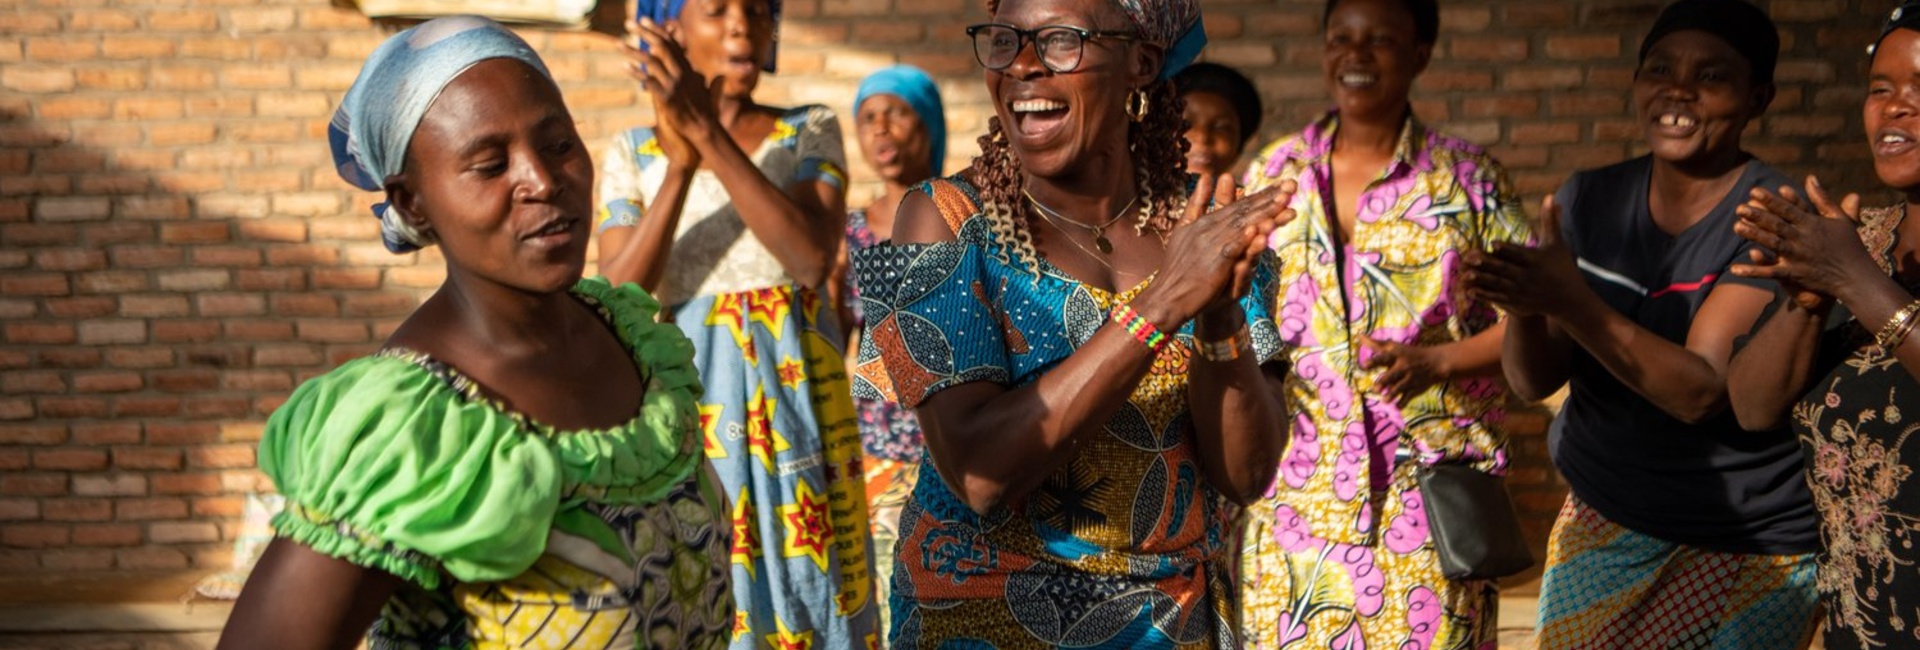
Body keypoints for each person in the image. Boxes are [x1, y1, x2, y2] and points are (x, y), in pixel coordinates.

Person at [218, 17, 731, 649]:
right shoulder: (409, 426)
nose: (542, 181)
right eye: (490, 165)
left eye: (559, 144)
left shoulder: (627, 338)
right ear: (412, 203)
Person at [848, 0, 1297, 646]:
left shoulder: (1202, 229)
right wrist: (1164, 303)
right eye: (1005, 40)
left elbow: (1247, 474)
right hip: (987, 618)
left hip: (1167, 622)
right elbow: (977, 475)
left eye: (1061, 41)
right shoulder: (934, 218)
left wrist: (1219, 312)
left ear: (1140, 62)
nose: (1024, 66)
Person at [1465, 0, 1821, 645]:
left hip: (1744, 541)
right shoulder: (1590, 198)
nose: (1678, 90)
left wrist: (1570, 300)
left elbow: (1700, 392)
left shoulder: (1768, 218)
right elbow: (1532, 381)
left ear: (1757, 97)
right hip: (1608, 516)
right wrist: (1525, 307)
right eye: (1660, 68)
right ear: (1637, 83)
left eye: (1711, 76)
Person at [1232, 0, 1532, 646]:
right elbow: (1240, 320)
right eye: (1341, 38)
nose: (1357, 55)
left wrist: (1440, 361)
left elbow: (1536, 326)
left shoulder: (1470, 183)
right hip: (1294, 504)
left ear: (1420, 54)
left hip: (1425, 507)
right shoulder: (1275, 176)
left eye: (1381, 41)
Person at [593, 0, 880, 647]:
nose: (741, 26)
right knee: (702, 581)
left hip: (796, 400)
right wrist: (681, 162)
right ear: (669, 29)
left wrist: (710, 135)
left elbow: (809, 258)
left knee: (815, 584)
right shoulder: (632, 152)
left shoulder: (808, 130)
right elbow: (618, 294)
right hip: (692, 406)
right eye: (716, 9)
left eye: (756, 9)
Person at [1725, 5, 1920, 648]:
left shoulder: (1851, 261)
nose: (1896, 108)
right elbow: (1753, 407)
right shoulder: (1857, 241)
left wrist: (1855, 281)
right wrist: (1808, 301)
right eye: (1881, 90)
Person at [836, 63, 945, 639]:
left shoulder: (964, 216)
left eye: (896, 114)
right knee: (886, 600)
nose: (881, 130)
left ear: (928, 123)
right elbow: (839, 341)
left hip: (958, 443)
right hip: (877, 453)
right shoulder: (851, 232)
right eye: (868, 118)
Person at [1173, 62, 1261, 177]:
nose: (1203, 137)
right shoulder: (1142, 193)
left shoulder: (1253, 193)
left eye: (1222, 127)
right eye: (1184, 124)